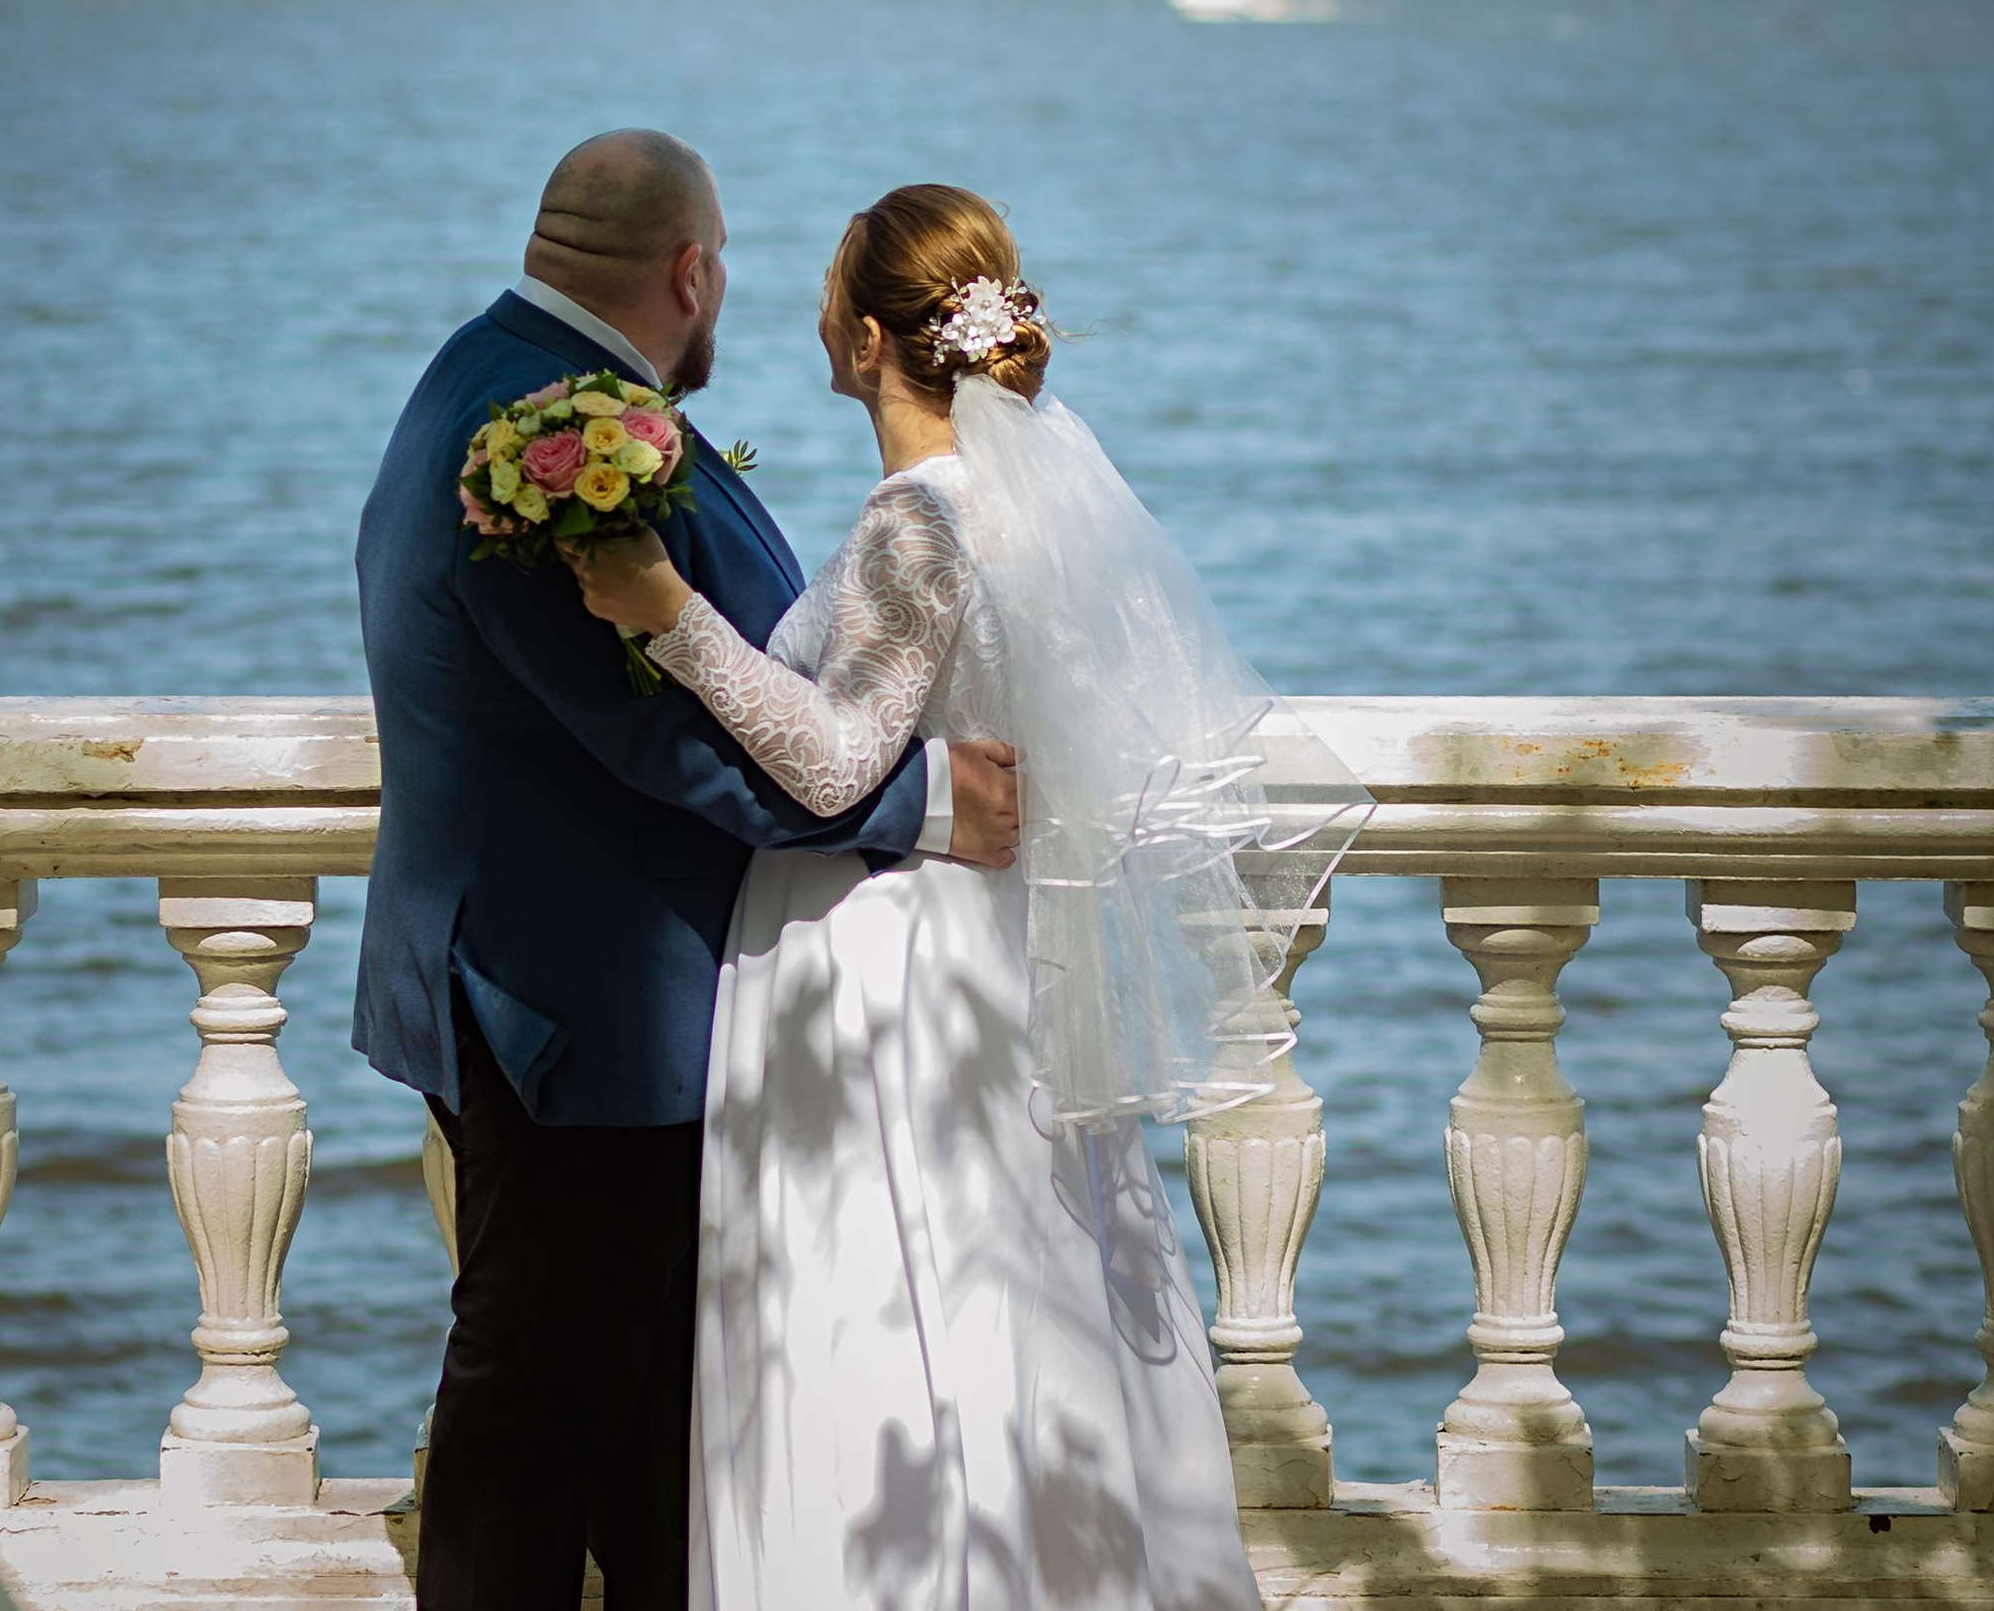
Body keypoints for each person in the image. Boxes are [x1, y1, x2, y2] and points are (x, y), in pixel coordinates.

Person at [572, 182, 1367, 1611]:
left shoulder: (918, 523)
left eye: (828, 299)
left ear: (872, 338)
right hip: (989, 951)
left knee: (902, 1316)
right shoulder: (1018, 511)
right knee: (1011, 1304)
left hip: (890, 971)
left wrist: (665, 614)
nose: (812, 318)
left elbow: (833, 760)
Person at [353, 132, 1024, 1611]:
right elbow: (654, 741)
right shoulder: (544, 442)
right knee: (534, 1425)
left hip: (571, 991)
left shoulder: (493, 377)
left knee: (642, 1417)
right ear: (692, 270)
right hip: (575, 1011)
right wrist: (924, 804)